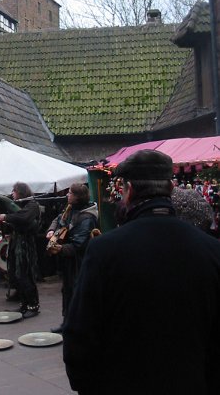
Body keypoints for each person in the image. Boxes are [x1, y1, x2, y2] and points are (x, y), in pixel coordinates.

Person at [63, 150, 220, 395]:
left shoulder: (104, 250)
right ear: (170, 188)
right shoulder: (212, 250)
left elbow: (79, 336)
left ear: (129, 191)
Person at [46, 183, 98, 333]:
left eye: (70, 193)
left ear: (78, 196)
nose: (67, 195)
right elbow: (59, 220)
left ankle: (81, 326)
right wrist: (52, 231)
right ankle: (67, 323)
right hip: (70, 261)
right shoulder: (71, 209)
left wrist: (60, 248)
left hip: (81, 262)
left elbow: (79, 245)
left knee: (78, 292)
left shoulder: (87, 217)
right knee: (68, 291)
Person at [0, 181, 40, 318]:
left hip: (26, 244)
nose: (12, 194)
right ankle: (24, 304)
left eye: (14, 191)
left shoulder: (32, 205)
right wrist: (4, 223)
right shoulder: (19, 205)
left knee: (25, 275)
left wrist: (7, 217)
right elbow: (15, 224)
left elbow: (25, 218)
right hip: (16, 242)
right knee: (15, 275)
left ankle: (33, 305)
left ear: (21, 192)